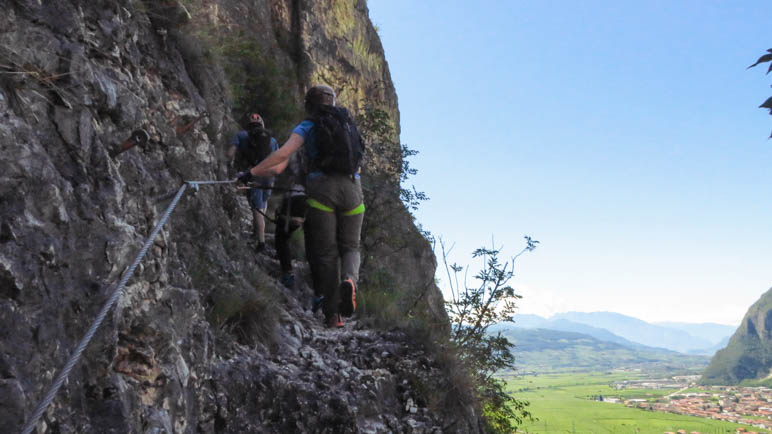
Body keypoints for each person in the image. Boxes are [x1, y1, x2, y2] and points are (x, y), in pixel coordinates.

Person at [237, 85, 365, 329]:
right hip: (353, 189)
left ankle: (332, 315)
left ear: (309, 104)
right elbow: (358, 162)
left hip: (321, 191)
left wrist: (250, 174)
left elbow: (282, 156)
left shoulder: (308, 125)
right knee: (351, 246)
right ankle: (349, 280)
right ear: (333, 102)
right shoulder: (348, 125)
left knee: (326, 254)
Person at [230, 113, 278, 252]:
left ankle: (261, 242)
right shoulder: (272, 140)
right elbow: (277, 159)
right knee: (262, 205)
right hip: (269, 177)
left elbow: (231, 152)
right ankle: (256, 234)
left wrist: (231, 165)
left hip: (253, 175)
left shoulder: (241, 135)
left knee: (257, 209)